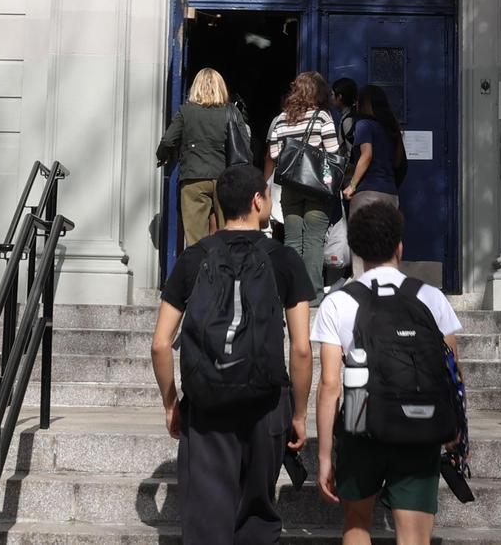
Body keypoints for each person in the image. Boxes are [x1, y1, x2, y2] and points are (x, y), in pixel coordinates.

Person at [150, 164, 313, 545]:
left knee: (208, 520)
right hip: (267, 405)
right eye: (268, 196)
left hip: (207, 404)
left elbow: (160, 344)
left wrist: (171, 403)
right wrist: (299, 414)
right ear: (258, 201)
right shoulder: (285, 259)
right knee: (257, 514)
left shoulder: (193, 258)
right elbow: (302, 349)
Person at [315, 202, 462, 545]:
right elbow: (452, 370)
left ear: (356, 250)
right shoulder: (431, 297)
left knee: (356, 524)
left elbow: (330, 385)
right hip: (421, 425)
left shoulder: (338, 302)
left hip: (360, 424)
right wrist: (455, 427)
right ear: (400, 246)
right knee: (414, 537)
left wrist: (325, 454)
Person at [263, 72, 341, 288]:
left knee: (293, 239)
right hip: (317, 186)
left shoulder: (281, 119)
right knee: (314, 239)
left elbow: (275, 153)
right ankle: (313, 292)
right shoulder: (322, 117)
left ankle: (292, 289)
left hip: (290, 186)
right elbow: (333, 150)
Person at [158, 69, 235, 247]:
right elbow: (244, 146)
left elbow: (168, 140)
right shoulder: (231, 112)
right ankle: (225, 272)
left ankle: (200, 272)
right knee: (229, 236)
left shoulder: (186, 112)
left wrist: (162, 156)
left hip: (193, 178)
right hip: (225, 178)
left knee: (196, 242)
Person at [342, 84, 406, 211]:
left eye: (358, 101)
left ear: (363, 103)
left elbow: (367, 155)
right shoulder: (391, 128)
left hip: (367, 193)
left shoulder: (364, 125)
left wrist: (352, 186)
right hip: (390, 194)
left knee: (362, 231)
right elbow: (401, 164)